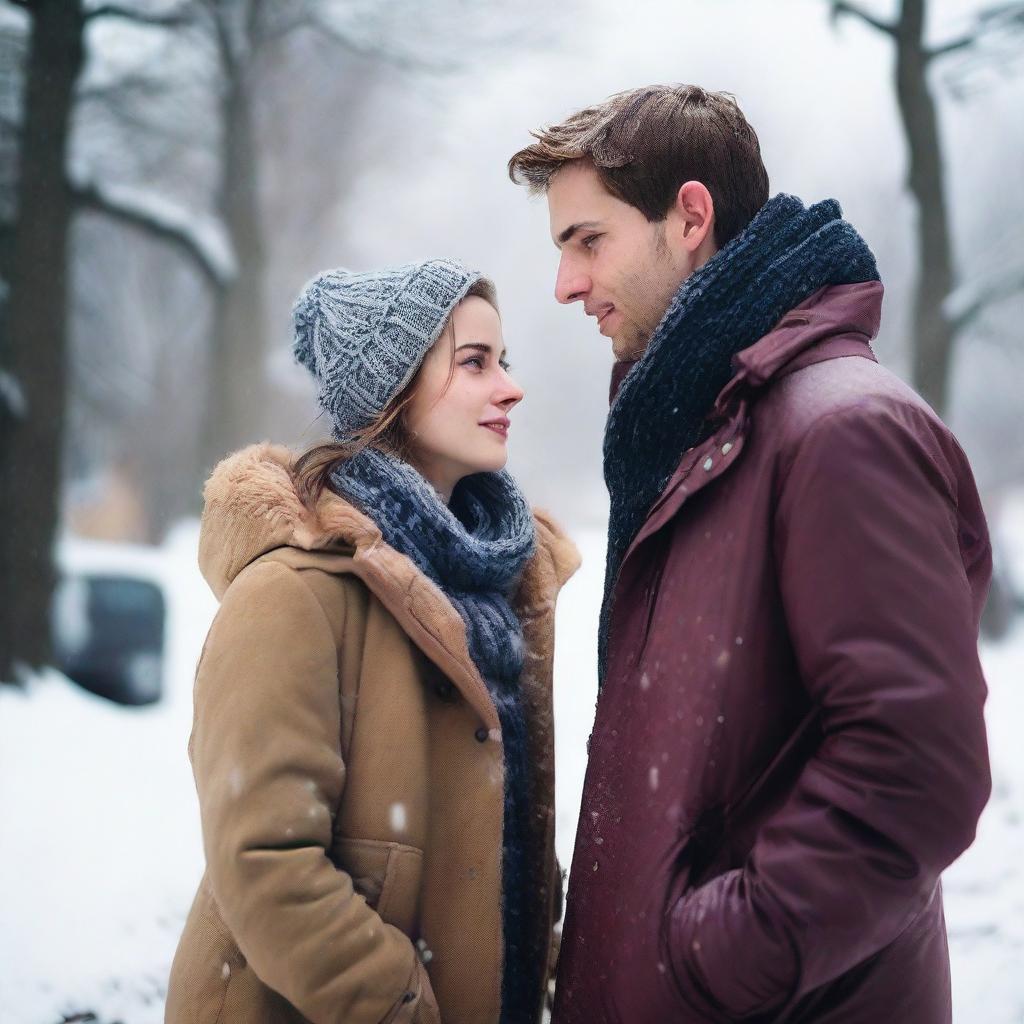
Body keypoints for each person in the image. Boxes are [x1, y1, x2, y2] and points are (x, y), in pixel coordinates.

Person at [508, 85, 992, 1022]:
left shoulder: (842, 431)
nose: (565, 284)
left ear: (690, 217)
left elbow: (916, 767)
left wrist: (714, 957)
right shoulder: (685, 432)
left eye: (587, 240)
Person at [166, 258, 579, 1024]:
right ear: (392, 392)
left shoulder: (495, 594)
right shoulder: (294, 594)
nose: (510, 387)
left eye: (506, 362)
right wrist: (400, 1006)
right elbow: (264, 863)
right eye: (475, 362)